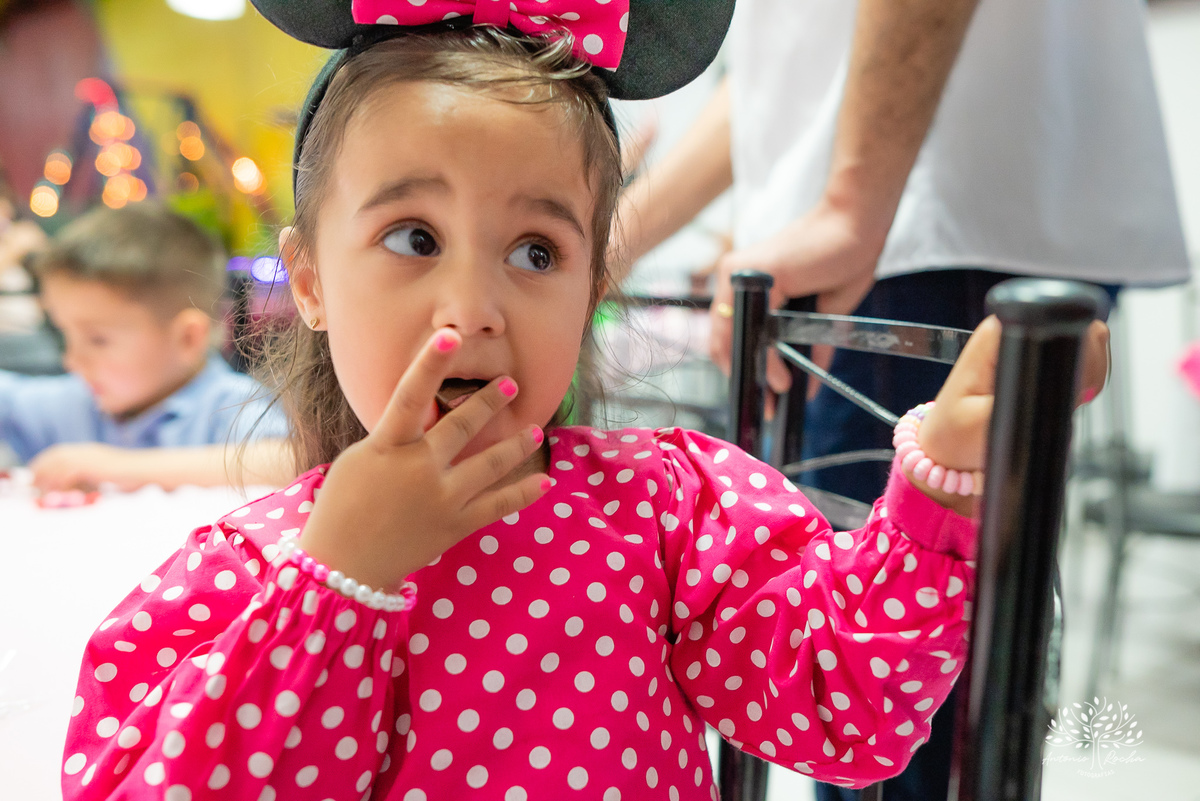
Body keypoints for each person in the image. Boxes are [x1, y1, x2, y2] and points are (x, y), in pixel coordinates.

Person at [60, 5, 1108, 799]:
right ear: (314, 281)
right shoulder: (237, 576)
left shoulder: (669, 511)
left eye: (536, 251)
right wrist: (338, 580)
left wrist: (946, 486)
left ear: (591, 289)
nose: (472, 309)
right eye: (414, 237)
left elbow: (852, 715)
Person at [615, 2, 1186, 796]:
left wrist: (853, 204)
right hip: (909, 207)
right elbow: (786, 78)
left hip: (928, 219)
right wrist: (598, 247)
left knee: (886, 686)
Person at [0, 203, 292, 491]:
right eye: (64, 334)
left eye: (98, 339)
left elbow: (286, 463)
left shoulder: (232, 405)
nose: (72, 360)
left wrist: (112, 466)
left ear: (188, 339)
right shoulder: (75, 401)